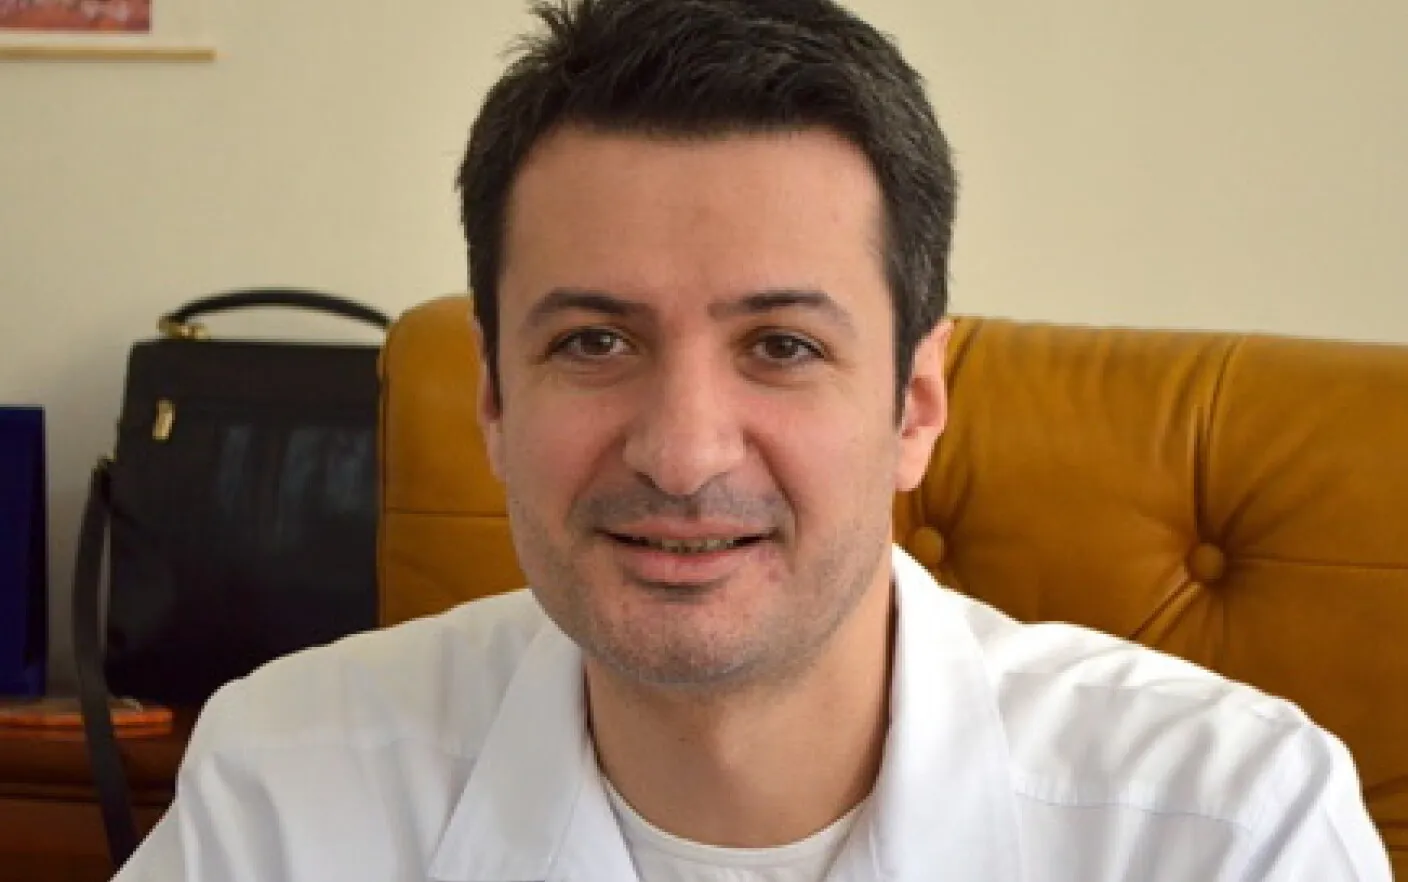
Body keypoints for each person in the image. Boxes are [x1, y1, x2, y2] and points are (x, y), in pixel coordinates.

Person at [116, 0, 1393, 879]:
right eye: (594, 342)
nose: (681, 456)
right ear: (492, 403)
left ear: (915, 405)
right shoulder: (286, 790)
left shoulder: (1223, 826)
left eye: (781, 345)